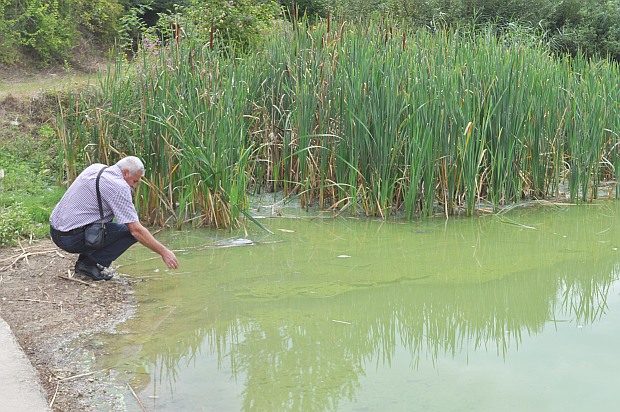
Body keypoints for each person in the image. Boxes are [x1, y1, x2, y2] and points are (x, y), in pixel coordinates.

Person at [50, 156, 179, 280]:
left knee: (108, 218)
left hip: (56, 230)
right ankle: (88, 265)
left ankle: (86, 260)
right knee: (130, 233)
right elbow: (136, 230)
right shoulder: (118, 187)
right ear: (125, 172)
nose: (134, 186)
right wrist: (164, 252)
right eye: (134, 181)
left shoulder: (96, 168)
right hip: (68, 239)